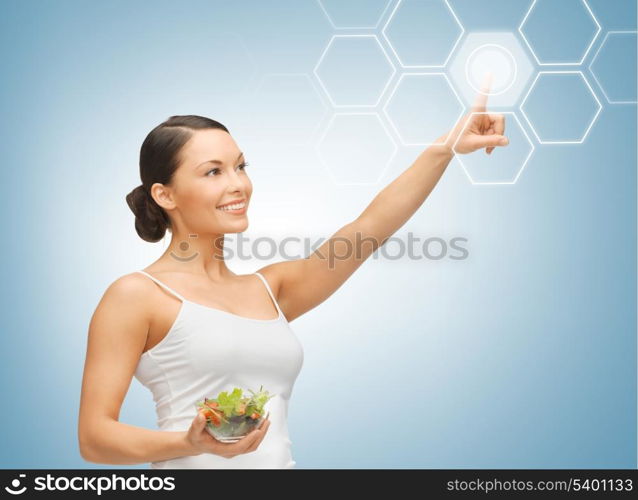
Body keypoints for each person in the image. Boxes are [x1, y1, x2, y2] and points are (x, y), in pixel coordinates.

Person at [78, 83, 507, 469]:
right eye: (213, 171)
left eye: (241, 167)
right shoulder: (137, 295)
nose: (238, 185)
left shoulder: (270, 289)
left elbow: (368, 228)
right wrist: (191, 443)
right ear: (164, 194)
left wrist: (447, 147)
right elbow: (95, 439)